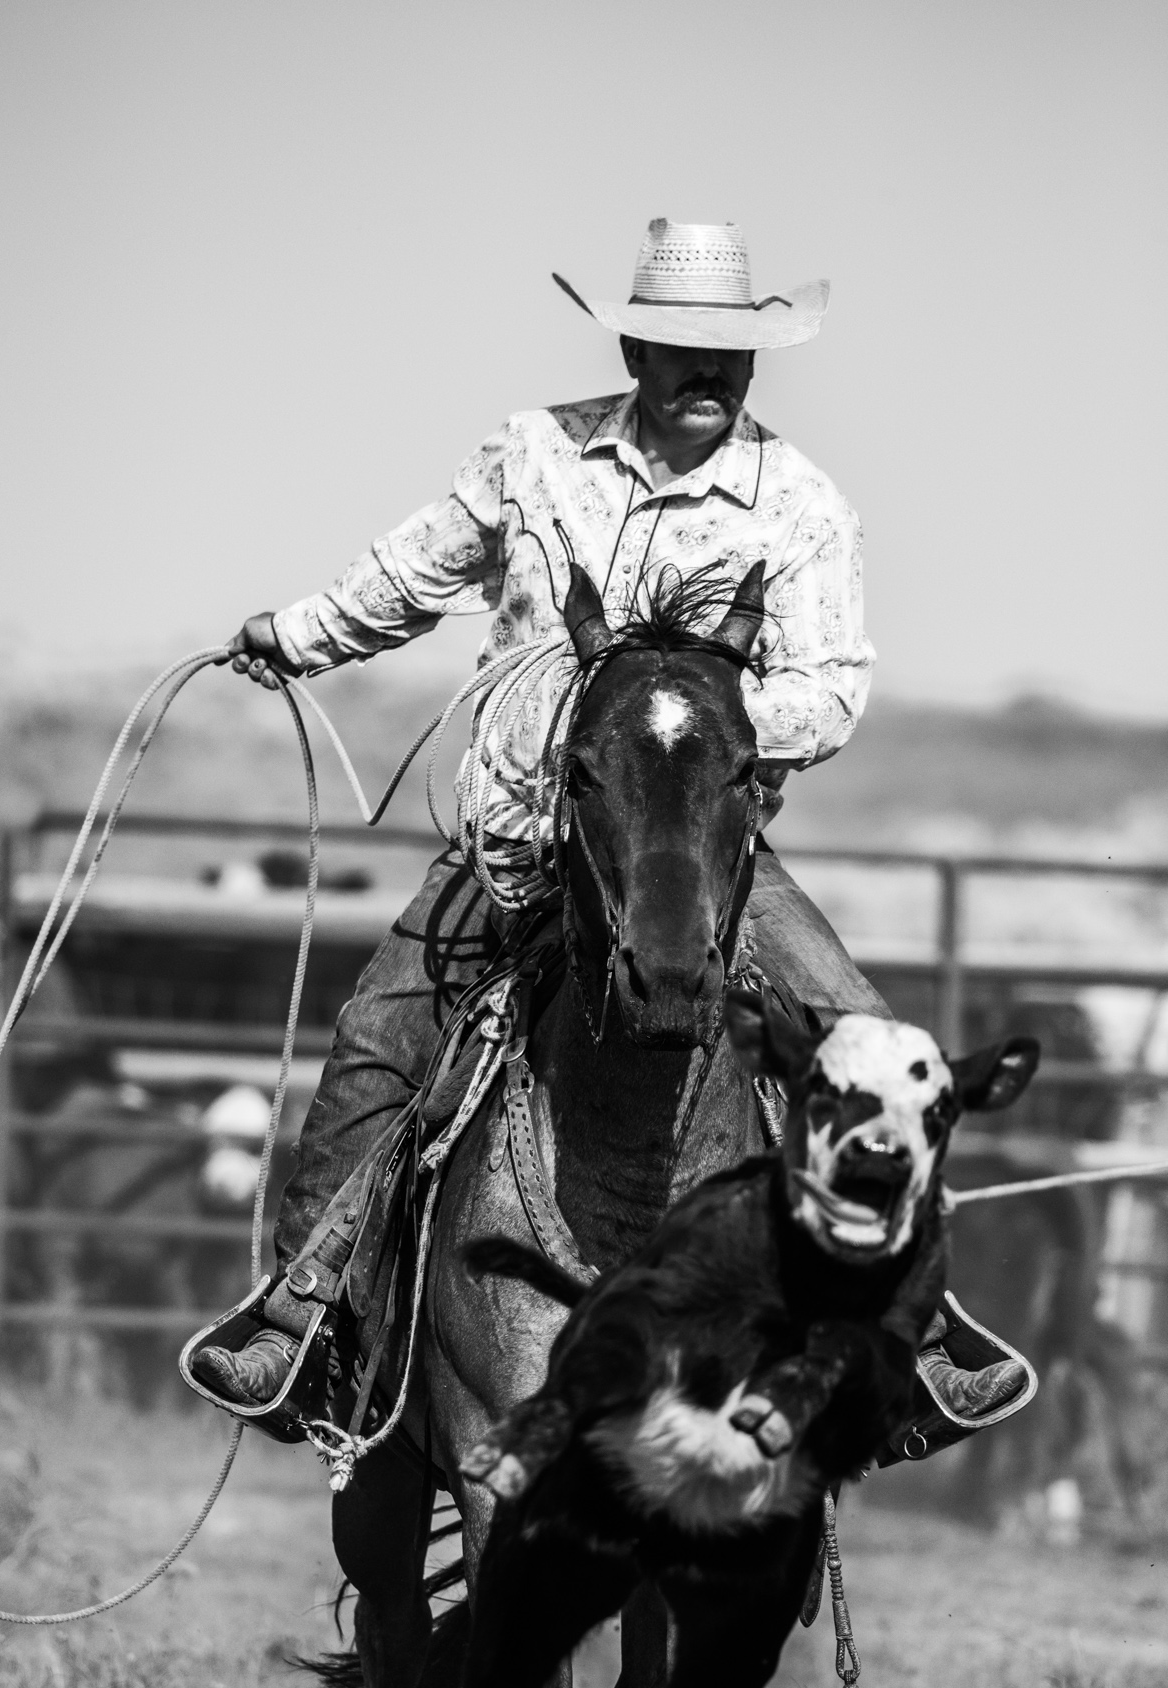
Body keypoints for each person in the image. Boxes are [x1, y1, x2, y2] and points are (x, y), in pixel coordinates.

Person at [193, 218, 1025, 1429]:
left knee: (871, 1045)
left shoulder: (796, 505)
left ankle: (920, 1335)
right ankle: (302, 1317)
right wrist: (295, 633)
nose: (713, 374)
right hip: (523, 843)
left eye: (733, 352)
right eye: (686, 349)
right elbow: (413, 573)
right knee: (378, 1042)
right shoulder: (534, 455)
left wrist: (675, 719)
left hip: (700, 860)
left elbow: (832, 685)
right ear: (636, 346)